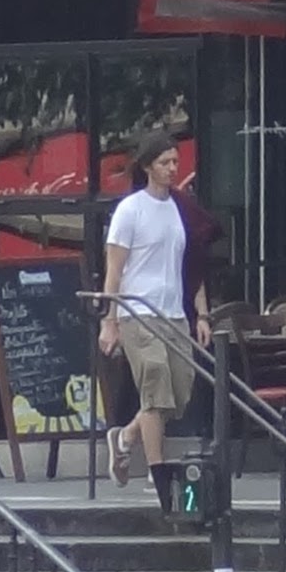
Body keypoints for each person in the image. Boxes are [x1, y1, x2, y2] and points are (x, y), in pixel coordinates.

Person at [98, 131, 211, 511]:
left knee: (178, 393)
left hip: (173, 312)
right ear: (147, 166)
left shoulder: (179, 209)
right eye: (165, 163)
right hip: (137, 311)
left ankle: (126, 438)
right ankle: (159, 475)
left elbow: (191, 266)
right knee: (155, 386)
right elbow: (114, 270)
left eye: (175, 162)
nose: (172, 169)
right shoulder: (131, 210)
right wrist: (109, 320)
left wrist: (202, 312)